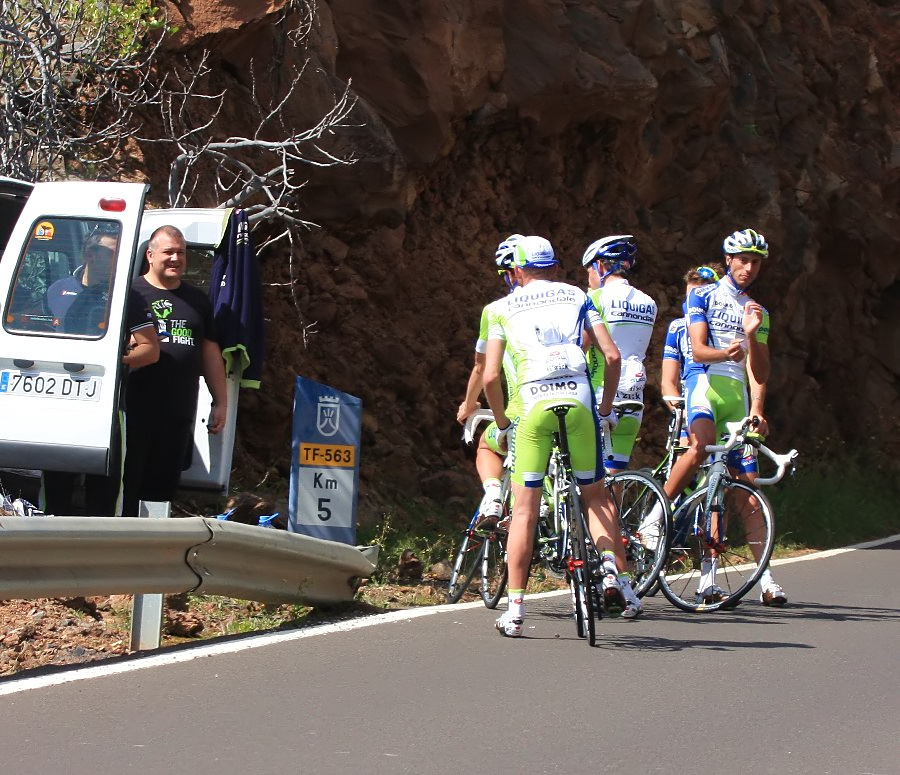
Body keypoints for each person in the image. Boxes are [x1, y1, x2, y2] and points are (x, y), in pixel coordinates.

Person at [483, 235, 642, 637]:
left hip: (532, 406)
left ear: (516, 270)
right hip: (579, 400)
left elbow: (489, 376)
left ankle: (516, 611)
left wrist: (502, 425)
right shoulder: (576, 294)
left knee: (524, 510)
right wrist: (604, 410)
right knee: (595, 495)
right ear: (554, 267)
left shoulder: (499, 308)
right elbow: (611, 357)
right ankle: (617, 578)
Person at [660, 229, 786, 606]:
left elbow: (759, 371)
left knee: (746, 489)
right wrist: (728, 351)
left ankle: (765, 578)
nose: (749, 268)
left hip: (737, 397)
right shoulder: (701, 294)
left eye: (756, 262)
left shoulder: (757, 311)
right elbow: (697, 351)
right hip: (704, 387)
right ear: (728, 260)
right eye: (742, 260)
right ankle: (658, 522)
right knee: (701, 461)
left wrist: (757, 408)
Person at [41, 229, 160, 515]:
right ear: (89, 254)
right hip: (60, 401)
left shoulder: (125, 296)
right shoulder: (57, 289)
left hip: (107, 404)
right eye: (109, 253)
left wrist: (114, 358)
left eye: (119, 254)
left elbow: (151, 350)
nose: (115, 260)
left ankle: (100, 553)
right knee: (55, 487)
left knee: (104, 492)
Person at [122, 225, 227, 515]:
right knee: (127, 485)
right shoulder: (130, 292)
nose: (175, 258)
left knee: (161, 492)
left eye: (180, 252)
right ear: (151, 254)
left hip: (177, 410)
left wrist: (221, 402)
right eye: (168, 251)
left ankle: (152, 548)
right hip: (133, 409)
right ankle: (120, 544)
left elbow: (210, 353)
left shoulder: (197, 300)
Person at [456, 234, 523, 520]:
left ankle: (494, 495)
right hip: (575, 403)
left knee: (486, 443)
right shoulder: (566, 303)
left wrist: (468, 403)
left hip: (523, 411)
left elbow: (482, 368)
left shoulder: (498, 311)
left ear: (510, 274)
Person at [582, 235, 657, 472]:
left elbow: (581, 347)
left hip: (600, 396)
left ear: (600, 266)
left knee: (588, 488)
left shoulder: (595, 298)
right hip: (634, 397)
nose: (589, 279)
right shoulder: (649, 302)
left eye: (589, 272)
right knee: (613, 488)